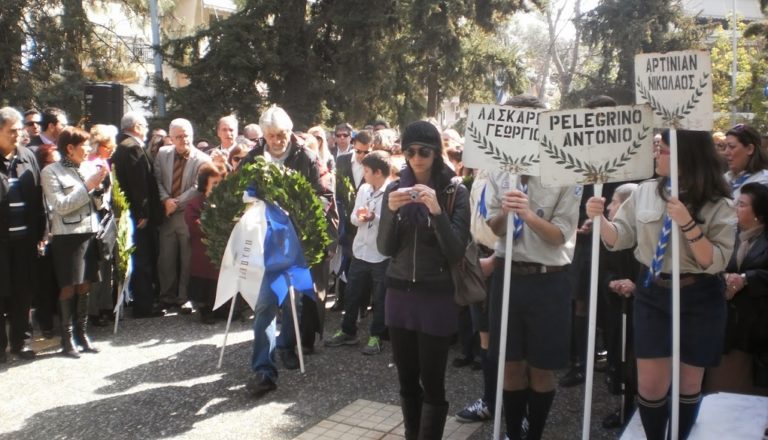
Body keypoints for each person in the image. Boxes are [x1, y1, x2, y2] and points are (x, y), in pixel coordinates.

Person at [586, 129, 736, 440]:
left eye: (662, 150)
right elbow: (619, 239)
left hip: (700, 294)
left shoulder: (718, 200)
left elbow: (715, 261)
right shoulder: (645, 191)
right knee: (650, 385)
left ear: (684, 157)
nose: (656, 154)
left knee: (688, 383)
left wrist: (687, 223)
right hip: (654, 291)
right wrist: (600, 219)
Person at [485, 94, 581, 440]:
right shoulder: (498, 170)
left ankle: (535, 433)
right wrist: (504, 213)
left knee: (541, 369)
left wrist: (527, 214)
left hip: (548, 281)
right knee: (510, 366)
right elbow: (494, 228)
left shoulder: (564, 171)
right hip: (509, 275)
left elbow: (560, 236)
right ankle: (513, 431)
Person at [377, 120, 470, 439]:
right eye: (410, 151)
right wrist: (389, 212)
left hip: (436, 297)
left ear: (436, 153)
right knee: (406, 379)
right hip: (399, 294)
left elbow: (457, 251)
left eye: (424, 151)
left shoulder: (455, 190)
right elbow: (385, 248)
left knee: (432, 381)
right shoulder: (394, 189)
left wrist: (437, 212)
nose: (417, 157)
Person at [240, 106, 336, 398]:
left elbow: (324, 196)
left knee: (293, 300)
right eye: (271, 136)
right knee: (266, 305)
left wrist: (299, 212)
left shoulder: (305, 156)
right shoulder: (254, 158)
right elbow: (238, 191)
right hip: (264, 242)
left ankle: (286, 345)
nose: (278, 140)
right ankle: (264, 370)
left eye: (281, 134)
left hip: (296, 240)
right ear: (264, 136)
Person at [41, 126, 109, 358]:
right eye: (84, 146)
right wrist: (88, 186)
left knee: (86, 284)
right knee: (68, 285)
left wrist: (100, 190)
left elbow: (98, 205)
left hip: (90, 233)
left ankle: (83, 334)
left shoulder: (89, 167)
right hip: (67, 237)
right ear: (70, 148)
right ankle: (67, 339)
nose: (89, 149)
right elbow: (61, 206)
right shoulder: (51, 172)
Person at [325, 150, 392, 355]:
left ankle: (376, 335)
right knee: (352, 293)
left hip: (380, 254)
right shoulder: (364, 189)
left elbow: (393, 223)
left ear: (378, 172)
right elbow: (354, 216)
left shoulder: (391, 191)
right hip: (360, 251)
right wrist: (361, 218)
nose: (364, 174)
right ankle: (348, 330)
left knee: (379, 297)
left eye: (367, 170)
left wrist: (375, 217)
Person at [705, 182, 768, 396]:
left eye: (741, 204)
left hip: (757, 331)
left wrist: (746, 278)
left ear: (759, 213)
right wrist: (724, 278)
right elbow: (709, 264)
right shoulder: (727, 234)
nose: (735, 208)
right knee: (719, 389)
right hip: (726, 329)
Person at [0, 107, 46, 362]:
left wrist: (42, 232)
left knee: (23, 294)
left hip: (25, 241)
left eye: (19, 130)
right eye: (11, 131)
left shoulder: (28, 156)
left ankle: (22, 343)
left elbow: (38, 197)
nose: (17, 135)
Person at [154, 118, 212, 313]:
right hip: (166, 213)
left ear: (192, 135)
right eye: (178, 136)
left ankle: (184, 297)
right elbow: (157, 179)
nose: (182, 140)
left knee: (188, 258)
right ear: (171, 137)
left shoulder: (202, 159)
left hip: (187, 214)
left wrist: (175, 202)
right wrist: (165, 201)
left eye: (185, 135)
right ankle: (166, 297)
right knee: (166, 258)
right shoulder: (162, 154)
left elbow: (198, 187)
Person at [112, 111, 165, 319]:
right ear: (136, 127)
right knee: (142, 258)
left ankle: (141, 300)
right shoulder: (132, 147)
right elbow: (138, 184)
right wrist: (143, 212)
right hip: (138, 215)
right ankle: (144, 305)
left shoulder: (122, 147)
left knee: (140, 258)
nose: (147, 130)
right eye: (144, 125)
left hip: (129, 212)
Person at [184, 162, 227, 324]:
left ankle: (222, 308)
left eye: (220, 183)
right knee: (204, 281)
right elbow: (193, 222)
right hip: (203, 250)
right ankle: (205, 309)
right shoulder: (195, 203)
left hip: (223, 250)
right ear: (205, 184)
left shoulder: (227, 201)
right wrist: (212, 226)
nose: (218, 186)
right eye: (214, 183)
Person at [86, 124, 118, 327]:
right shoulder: (93, 164)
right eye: (108, 145)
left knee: (106, 265)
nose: (112, 149)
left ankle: (104, 305)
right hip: (97, 218)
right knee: (99, 266)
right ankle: (95, 309)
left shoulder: (102, 161)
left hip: (105, 218)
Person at [723, 123, 768, 199]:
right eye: (725, 147)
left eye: (732, 147)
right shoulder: (725, 179)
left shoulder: (763, 182)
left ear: (750, 149)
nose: (726, 152)